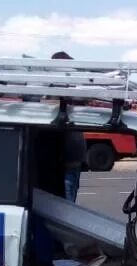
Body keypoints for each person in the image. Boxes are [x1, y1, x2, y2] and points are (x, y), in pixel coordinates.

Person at [51, 51, 87, 202]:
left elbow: (84, 99)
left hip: (73, 165)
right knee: (66, 211)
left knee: (71, 206)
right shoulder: (52, 95)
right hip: (63, 168)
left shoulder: (69, 97)